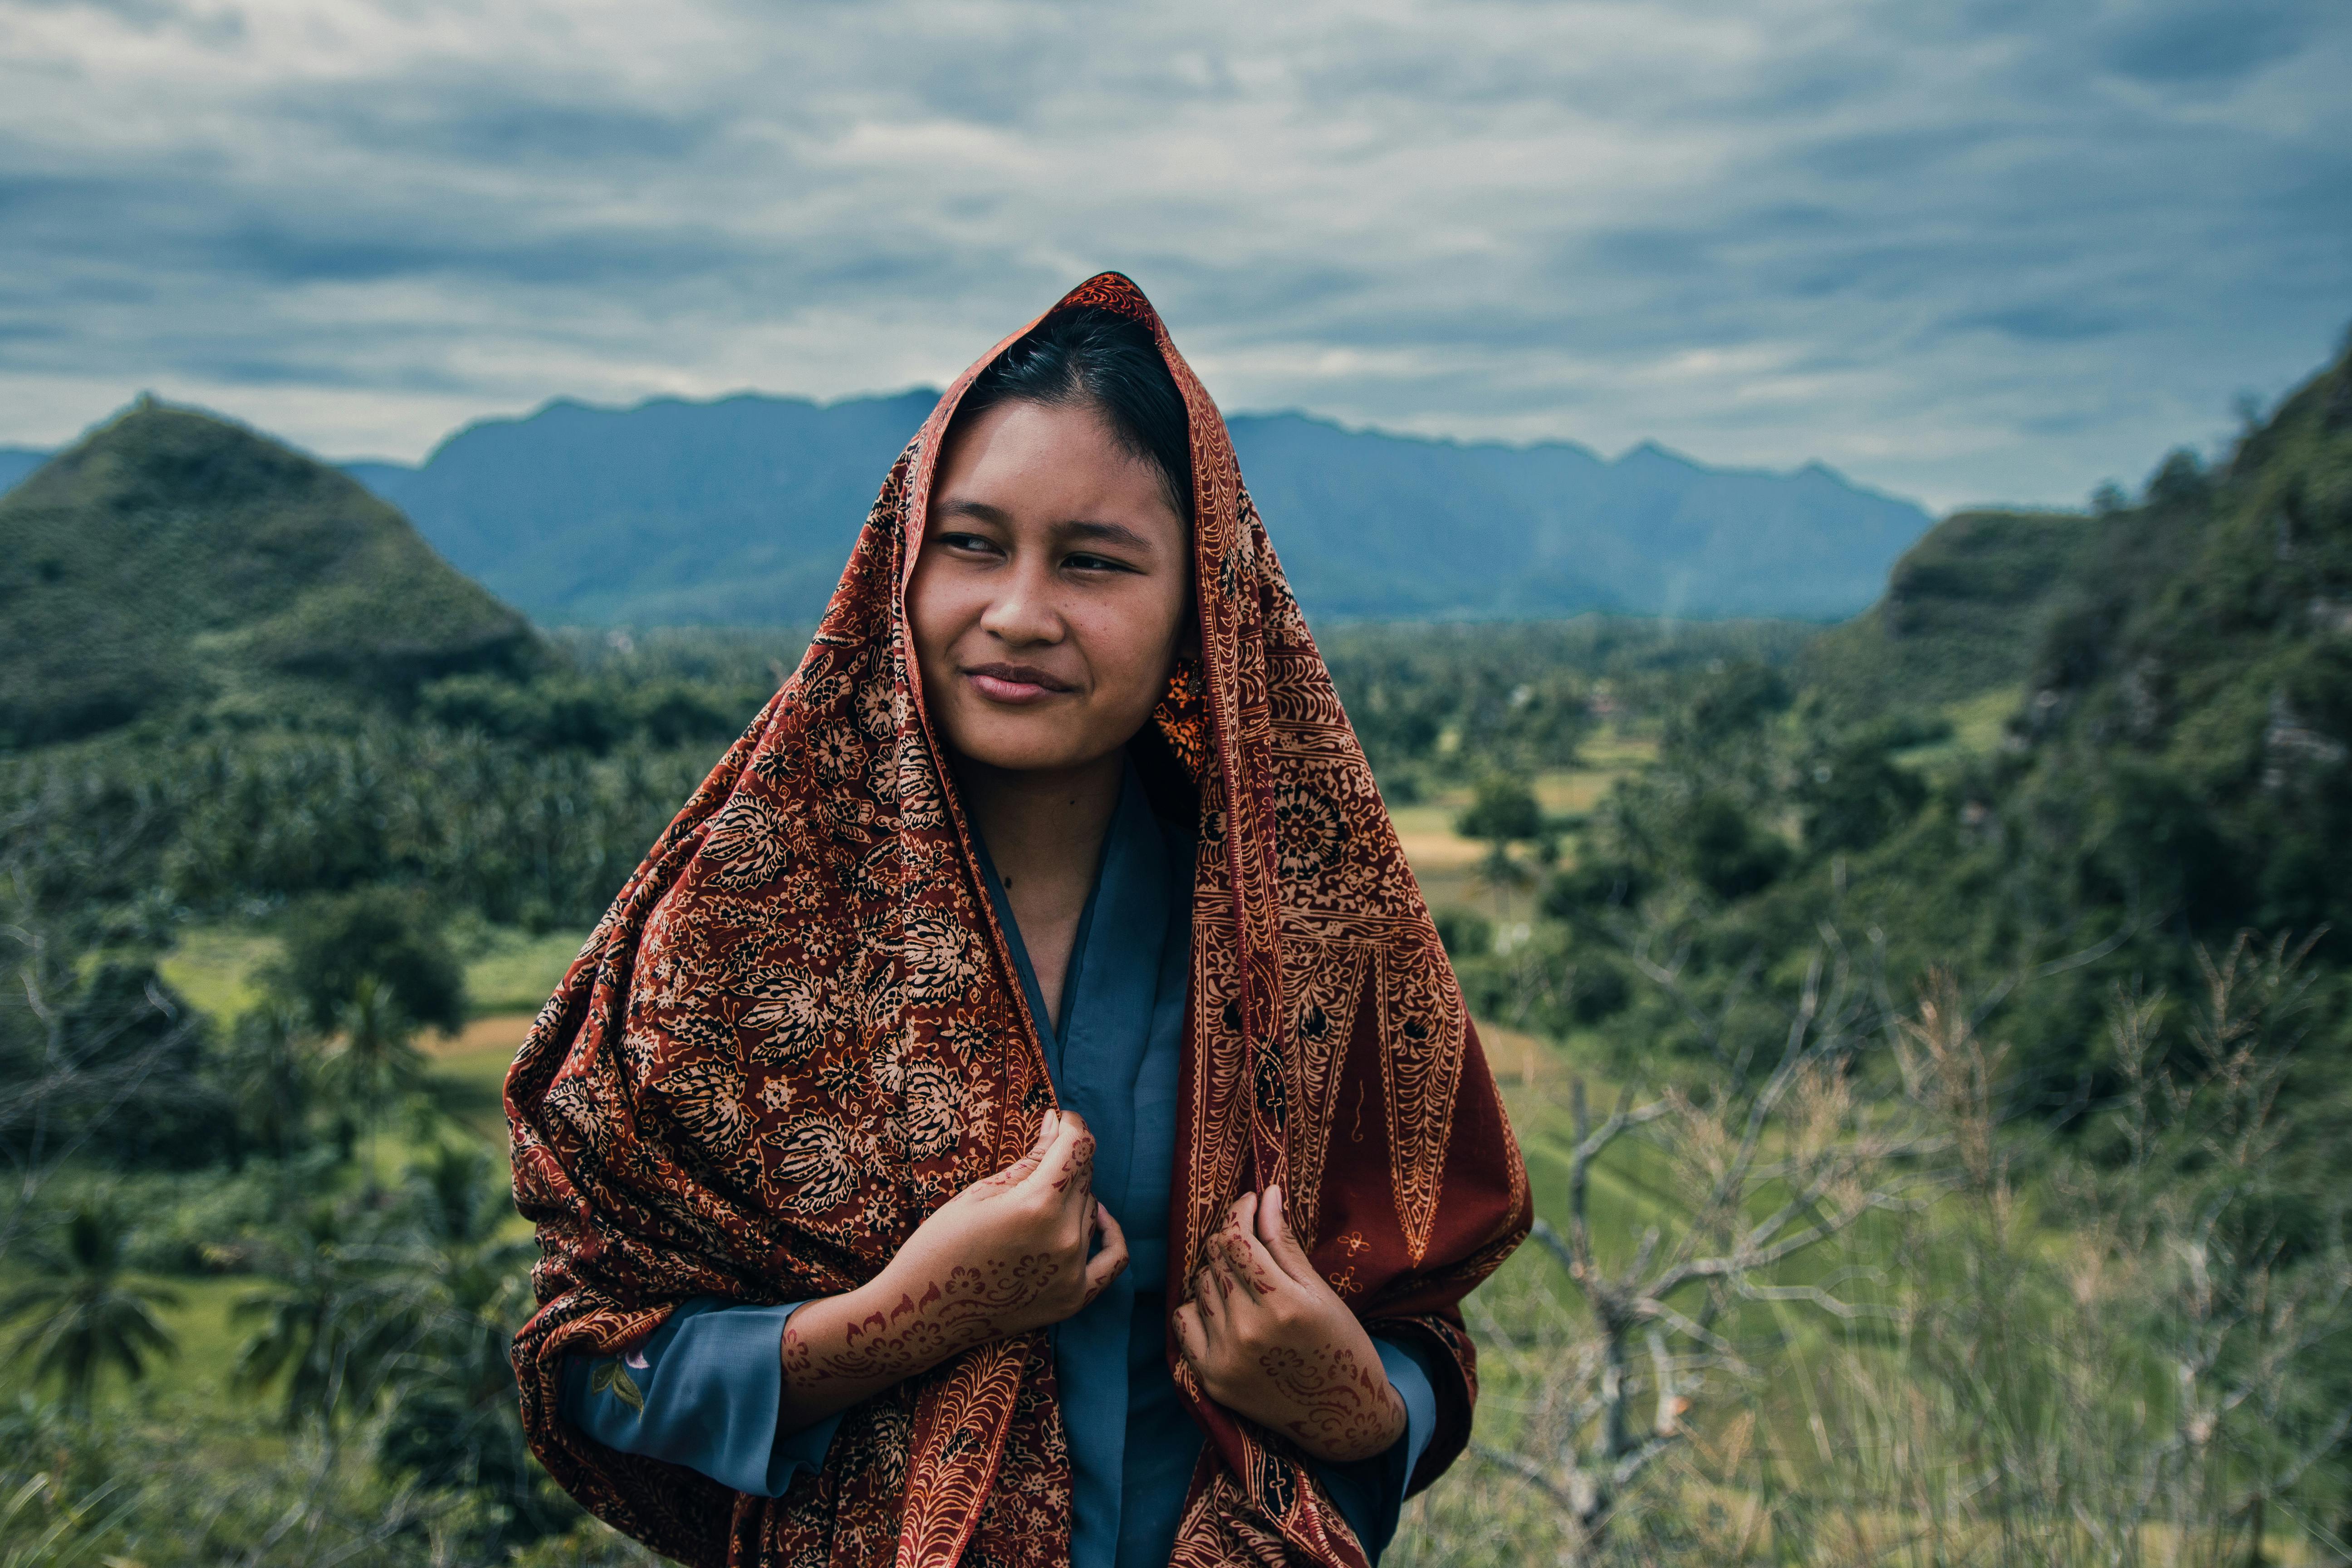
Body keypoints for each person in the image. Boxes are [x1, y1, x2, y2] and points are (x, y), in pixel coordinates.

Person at [508, 273, 1531, 1568]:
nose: (1019, 613)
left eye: (1094, 562)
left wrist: (1356, 1403)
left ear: (1199, 614)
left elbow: (1418, 1330)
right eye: (974, 544)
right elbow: (589, 1380)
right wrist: (901, 1320)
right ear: (897, 565)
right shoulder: (730, 941)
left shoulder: (1307, 951)